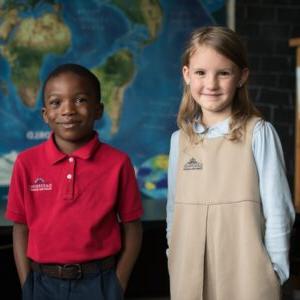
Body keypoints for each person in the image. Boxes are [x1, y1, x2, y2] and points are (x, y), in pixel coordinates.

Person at [166, 26, 295, 300]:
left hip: (248, 274)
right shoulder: (180, 140)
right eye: (201, 72)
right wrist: (172, 257)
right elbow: (173, 210)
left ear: (241, 77)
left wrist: (275, 271)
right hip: (187, 274)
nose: (211, 84)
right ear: (187, 75)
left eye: (223, 73)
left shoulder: (259, 133)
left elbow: (279, 210)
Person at [5, 63, 143, 300]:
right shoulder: (26, 163)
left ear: (98, 110)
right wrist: (27, 283)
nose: (68, 110)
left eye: (80, 100)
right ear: (45, 114)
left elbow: (133, 227)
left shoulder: (118, 163)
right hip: (41, 284)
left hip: (99, 283)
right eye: (56, 102)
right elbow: (21, 228)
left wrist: (117, 284)